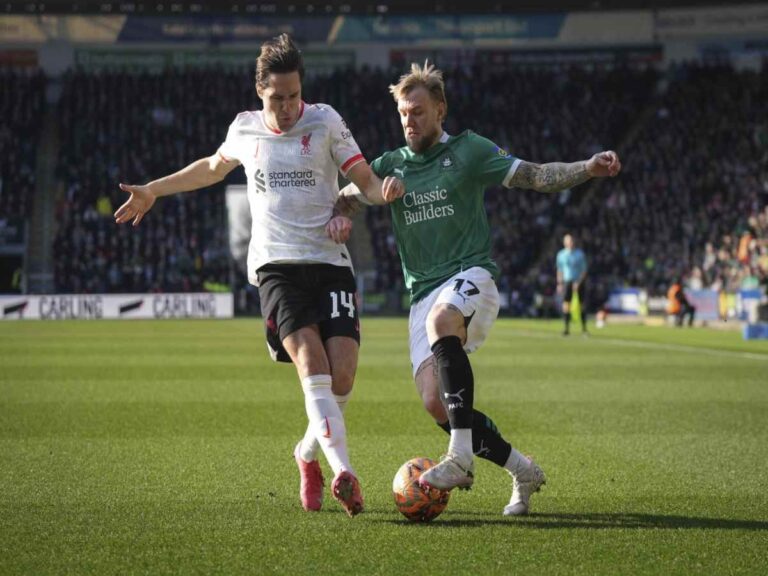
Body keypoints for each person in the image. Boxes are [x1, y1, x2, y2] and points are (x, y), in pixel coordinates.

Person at [114, 33, 402, 517]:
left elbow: (366, 179)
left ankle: (307, 453)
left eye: (293, 96)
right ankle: (344, 472)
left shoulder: (326, 120)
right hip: (276, 267)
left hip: (330, 263)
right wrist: (154, 190)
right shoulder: (245, 130)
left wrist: (382, 193)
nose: (287, 107)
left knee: (344, 375)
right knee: (313, 364)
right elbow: (210, 168)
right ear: (259, 93)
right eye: (276, 98)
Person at [336, 62, 621, 515]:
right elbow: (346, 197)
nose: (410, 120)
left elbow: (534, 175)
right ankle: (523, 470)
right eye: (404, 113)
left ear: (441, 110)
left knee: (442, 321)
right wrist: (353, 207)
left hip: (472, 276)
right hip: (423, 292)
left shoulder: (469, 151)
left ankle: (460, 458)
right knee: (437, 404)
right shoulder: (389, 166)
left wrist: (587, 168)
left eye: (419, 112)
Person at [556, 234, 589, 336]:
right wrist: (560, 283)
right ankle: (566, 329)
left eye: (572, 241)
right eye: (568, 241)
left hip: (579, 281)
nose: (571, 243)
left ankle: (584, 329)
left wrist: (578, 282)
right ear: (565, 242)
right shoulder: (561, 255)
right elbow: (560, 270)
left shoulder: (580, 254)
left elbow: (584, 270)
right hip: (567, 281)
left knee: (582, 305)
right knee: (566, 304)